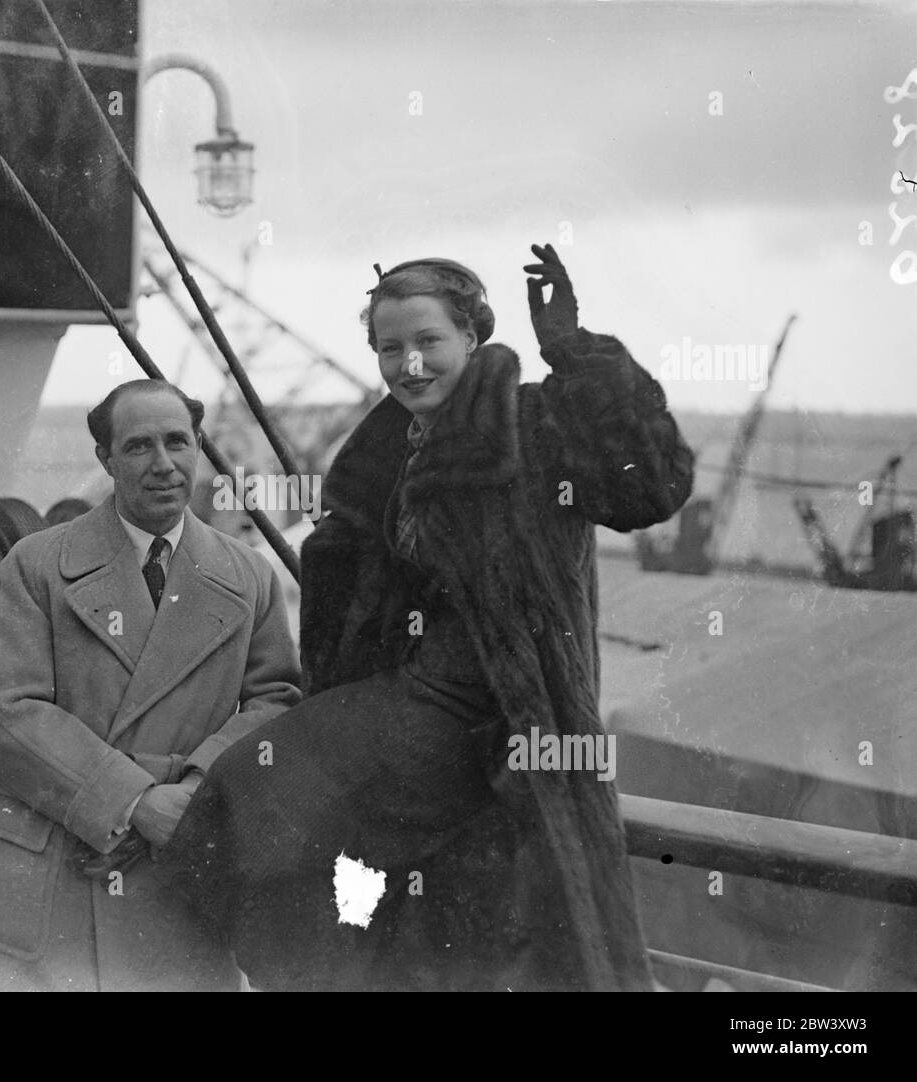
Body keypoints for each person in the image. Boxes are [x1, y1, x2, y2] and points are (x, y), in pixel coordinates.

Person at [159, 244, 696, 991]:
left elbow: (654, 486)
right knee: (255, 802)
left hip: (513, 711)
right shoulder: (384, 452)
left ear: (471, 340)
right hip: (420, 700)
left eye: (428, 342)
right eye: (389, 348)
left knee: (264, 794)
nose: (409, 365)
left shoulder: (532, 421)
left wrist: (574, 351)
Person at [0, 379, 302, 991]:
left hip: (182, 868)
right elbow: (8, 716)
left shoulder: (248, 574)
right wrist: (136, 803)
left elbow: (275, 702)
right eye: (140, 446)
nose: (164, 465)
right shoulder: (37, 566)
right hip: (57, 873)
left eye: (178, 442)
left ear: (198, 446)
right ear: (106, 459)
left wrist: (197, 792)